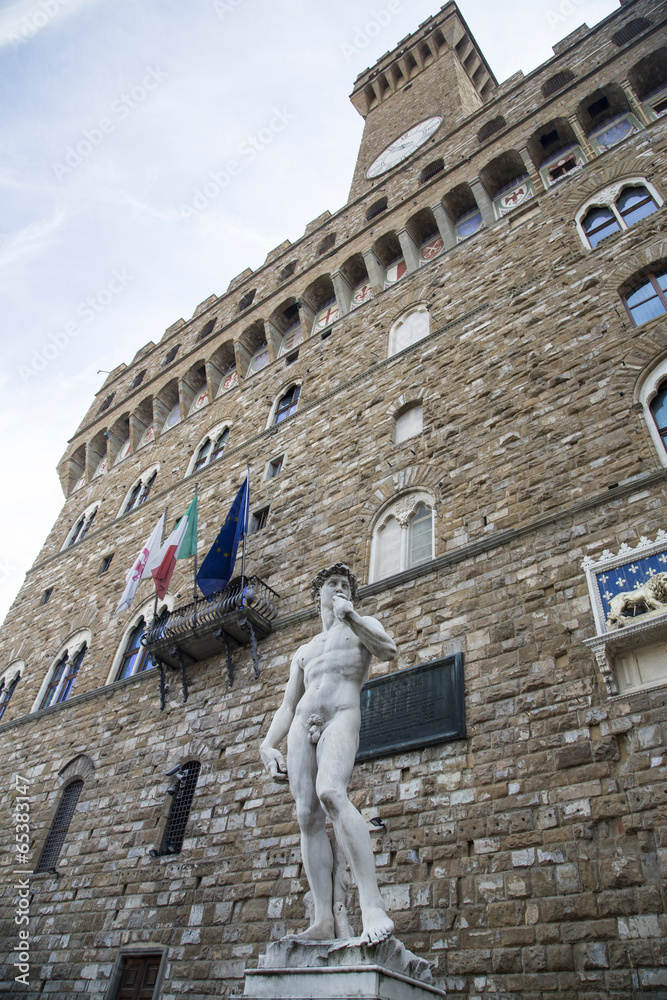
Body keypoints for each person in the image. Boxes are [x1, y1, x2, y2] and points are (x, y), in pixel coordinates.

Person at [260, 563, 397, 945]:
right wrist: (267, 744)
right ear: (318, 595)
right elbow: (289, 705)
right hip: (304, 724)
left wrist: (351, 616)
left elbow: (388, 650)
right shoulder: (304, 650)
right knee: (306, 817)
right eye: (332, 584)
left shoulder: (360, 625)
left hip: (341, 714)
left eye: (345, 584)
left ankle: (372, 906)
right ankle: (322, 919)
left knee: (332, 793)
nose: (339, 589)